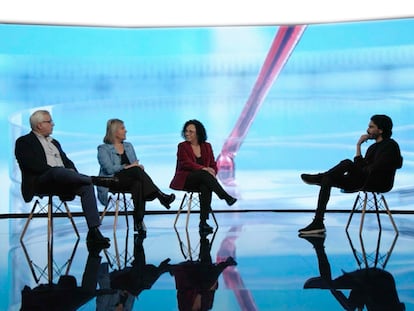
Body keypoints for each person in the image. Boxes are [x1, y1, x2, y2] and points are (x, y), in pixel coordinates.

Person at [14, 110, 116, 248]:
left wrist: (71, 171)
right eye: (49, 122)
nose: (53, 124)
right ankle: (93, 179)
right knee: (56, 171)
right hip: (41, 181)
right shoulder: (24, 142)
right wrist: (57, 170)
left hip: (62, 180)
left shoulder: (54, 142)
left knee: (86, 187)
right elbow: (32, 165)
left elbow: (68, 162)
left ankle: (93, 231)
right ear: (39, 125)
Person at [299, 114, 403, 235]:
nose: (367, 130)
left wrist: (358, 169)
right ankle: (318, 222)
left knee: (347, 163)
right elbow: (361, 166)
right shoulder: (372, 147)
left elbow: (375, 168)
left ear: (380, 130)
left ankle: (318, 177)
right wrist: (358, 145)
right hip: (361, 179)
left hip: (377, 182)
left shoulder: (390, 145)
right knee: (328, 179)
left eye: (371, 127)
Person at [97, 118, 175, 234]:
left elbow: (135, 165)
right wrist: (126, 167)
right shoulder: (103, 149)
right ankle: (159, 196)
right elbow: (108, 169)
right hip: (112, 180)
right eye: (122, 128)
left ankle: (139, 221)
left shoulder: (128, 146)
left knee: (138, 183)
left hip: (130, 180)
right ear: (114, 131)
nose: (126, 131)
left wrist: (137, 167)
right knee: (136, 173)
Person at [170, 119, 237, 233]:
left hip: (203, 179)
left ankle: (203, 222)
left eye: (191, 131)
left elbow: (213, 165)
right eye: (186, 131)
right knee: (204, 174)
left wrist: (213, 172)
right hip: (186, 179)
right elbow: (186, 163)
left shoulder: (207, 146)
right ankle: (225, 196)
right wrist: (204, 169)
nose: (187, 134)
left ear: (198, 133)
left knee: (206, 185)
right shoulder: (182, 146)